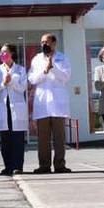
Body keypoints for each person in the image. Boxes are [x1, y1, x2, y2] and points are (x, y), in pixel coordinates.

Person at [28, 33, 72, 174]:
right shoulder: (37, 59)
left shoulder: (62, 58)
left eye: (46, 42)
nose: (44, 44)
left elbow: (66, 76)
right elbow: (32, 79)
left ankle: (60, 165)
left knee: (59, 137)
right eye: (42, 42)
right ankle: (44, 165)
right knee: (43, 138)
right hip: (42, 103)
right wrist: (45, 71)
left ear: (54, 43)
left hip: (58, 104)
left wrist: (53, 67)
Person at [0, 43, 28, 176]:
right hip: (3, 108)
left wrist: (11, 82)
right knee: (5, 140)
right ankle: (8, 167)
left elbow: (23, 88)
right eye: (0, 52)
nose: (2, 54)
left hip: (16, 108)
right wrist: (3, 83)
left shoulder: (20, 70)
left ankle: (17, 166)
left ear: (12, 53)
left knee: (18, 139)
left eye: (5, 52)